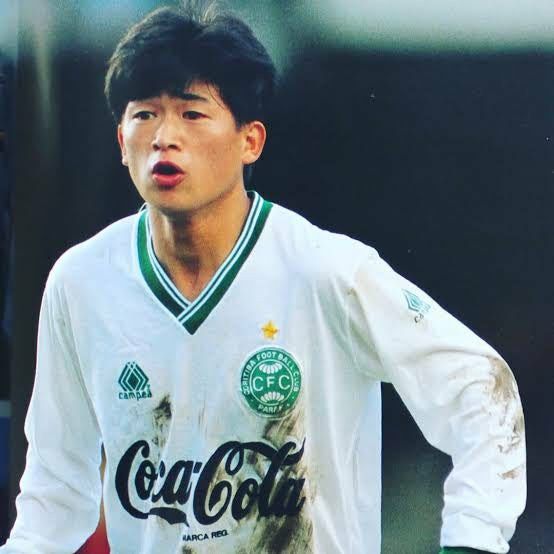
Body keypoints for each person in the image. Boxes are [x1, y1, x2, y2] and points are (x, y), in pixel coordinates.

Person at [1, 4, 526, 553]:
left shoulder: (326, 272)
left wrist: (471, 540)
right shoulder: (81, 283)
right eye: (145, 115)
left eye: (192, 114)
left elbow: (481, 389)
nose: (164, 137)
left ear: (250, 141)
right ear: (121, 142)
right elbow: (54, 495)